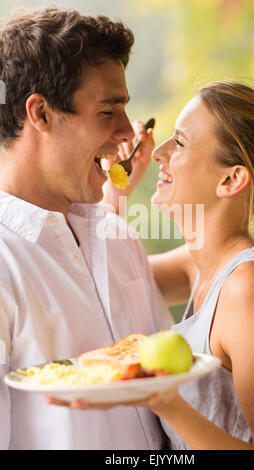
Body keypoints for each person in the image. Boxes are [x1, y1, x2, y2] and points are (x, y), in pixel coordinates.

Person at [61, 81, 254, 450]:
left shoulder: (253, 292)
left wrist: (166, 402)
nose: (158, 152)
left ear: (231, 179)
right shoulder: (200, 263)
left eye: (180, 143)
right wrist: (115, 195)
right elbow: (98, 282)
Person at [0, 7, 173, 450]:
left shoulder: (116, 236)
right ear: (39, 113)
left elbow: (166, 380)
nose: (125, 132)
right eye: (108, 110)